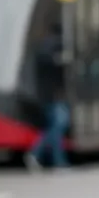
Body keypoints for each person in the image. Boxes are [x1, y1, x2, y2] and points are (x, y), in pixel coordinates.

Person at [27, 20, 69, 170]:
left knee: (55, 127)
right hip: (53, 96)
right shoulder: (57, 46)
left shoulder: (43, 46)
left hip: (44, 95)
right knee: (58, 126)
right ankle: (41, 155)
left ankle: (55, 160)